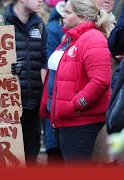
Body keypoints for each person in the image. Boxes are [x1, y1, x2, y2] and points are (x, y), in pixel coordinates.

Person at [46, 0, 112, 165]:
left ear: (82, 17)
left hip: (81, 123)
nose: (63, 16)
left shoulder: (93, 39)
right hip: (67, 121)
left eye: (68, 13)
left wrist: (76, 104)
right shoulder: (73, 38)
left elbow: (101, 81)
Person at [0, 0, 48, 166]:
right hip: (3, 111)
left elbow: (44, 61)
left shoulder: (40, 25)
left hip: (32, 107)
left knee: (30, 160)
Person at [40, 1, 66, 165]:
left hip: (65, 105)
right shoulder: (52, 30)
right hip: (55, 103)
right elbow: (47, 67)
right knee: (56, 153)